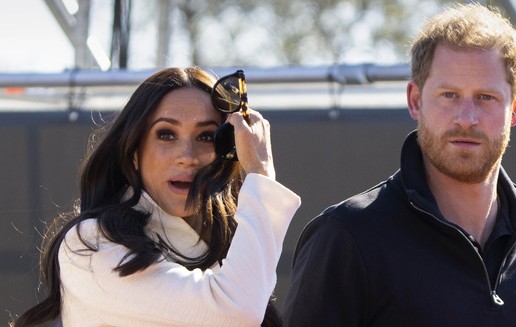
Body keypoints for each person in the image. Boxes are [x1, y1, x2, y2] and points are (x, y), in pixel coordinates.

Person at [282, 3, 516, 327]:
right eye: (449, 95)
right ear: (415, 100)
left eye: (486, 97)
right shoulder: (348, 236)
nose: (467, 118)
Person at [13, 67, 301, 327]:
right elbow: (234, 312)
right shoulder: (92, 243)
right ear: (134, 152)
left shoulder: (233, 248)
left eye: (205, 137)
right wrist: (261, 174)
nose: (187, 157)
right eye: (166, 134)